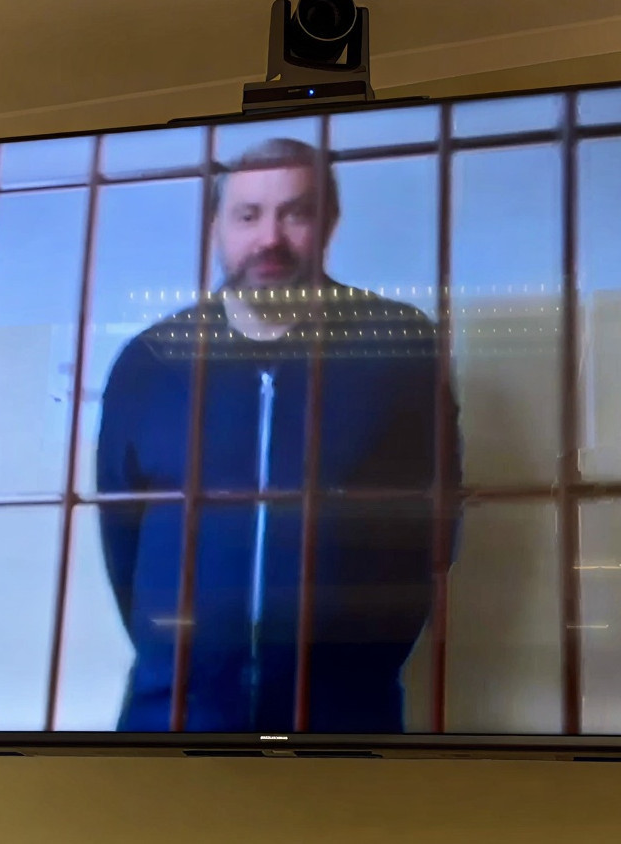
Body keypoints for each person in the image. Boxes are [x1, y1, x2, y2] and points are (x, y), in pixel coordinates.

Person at [95, 137, 460, 734]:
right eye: (247, 215)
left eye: (295, 213)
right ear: (216, 226)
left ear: (330, 221)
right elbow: (121, 538)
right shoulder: (151, 360)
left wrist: (363, 663)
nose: (270, 238)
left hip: (345, 719)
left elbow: (434, 526)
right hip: (174, 718)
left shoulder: (399, 349)